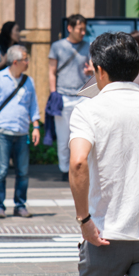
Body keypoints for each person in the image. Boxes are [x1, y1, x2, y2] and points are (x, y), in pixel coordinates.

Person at [69, 32, 139, 276]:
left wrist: (84, 219)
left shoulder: (87, 110)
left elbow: (78, 163)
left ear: (100, 70)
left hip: (105, 234)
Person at [0, 45, 40, 218]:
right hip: (3, 132)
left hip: (22, 132)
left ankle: (20, 204)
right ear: (15, 62)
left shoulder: (28, 81)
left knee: (23, 172)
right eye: (26, 59)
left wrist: (36, 126)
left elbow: (33, 106)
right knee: (1, 171)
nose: (28, 62)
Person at [50, 14, 93, 182]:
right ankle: (64, 170)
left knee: (85, 135)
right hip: (63, 96)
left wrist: (90, 72)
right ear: (70, 28)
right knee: (63, 137)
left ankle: (82, 168)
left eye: (84, 29)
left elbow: (92, 67)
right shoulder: (57, 46)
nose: (83, 32)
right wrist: (53, 92)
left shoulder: (88, 46)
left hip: (82, 96)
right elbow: (51, 71)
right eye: (79, 28)